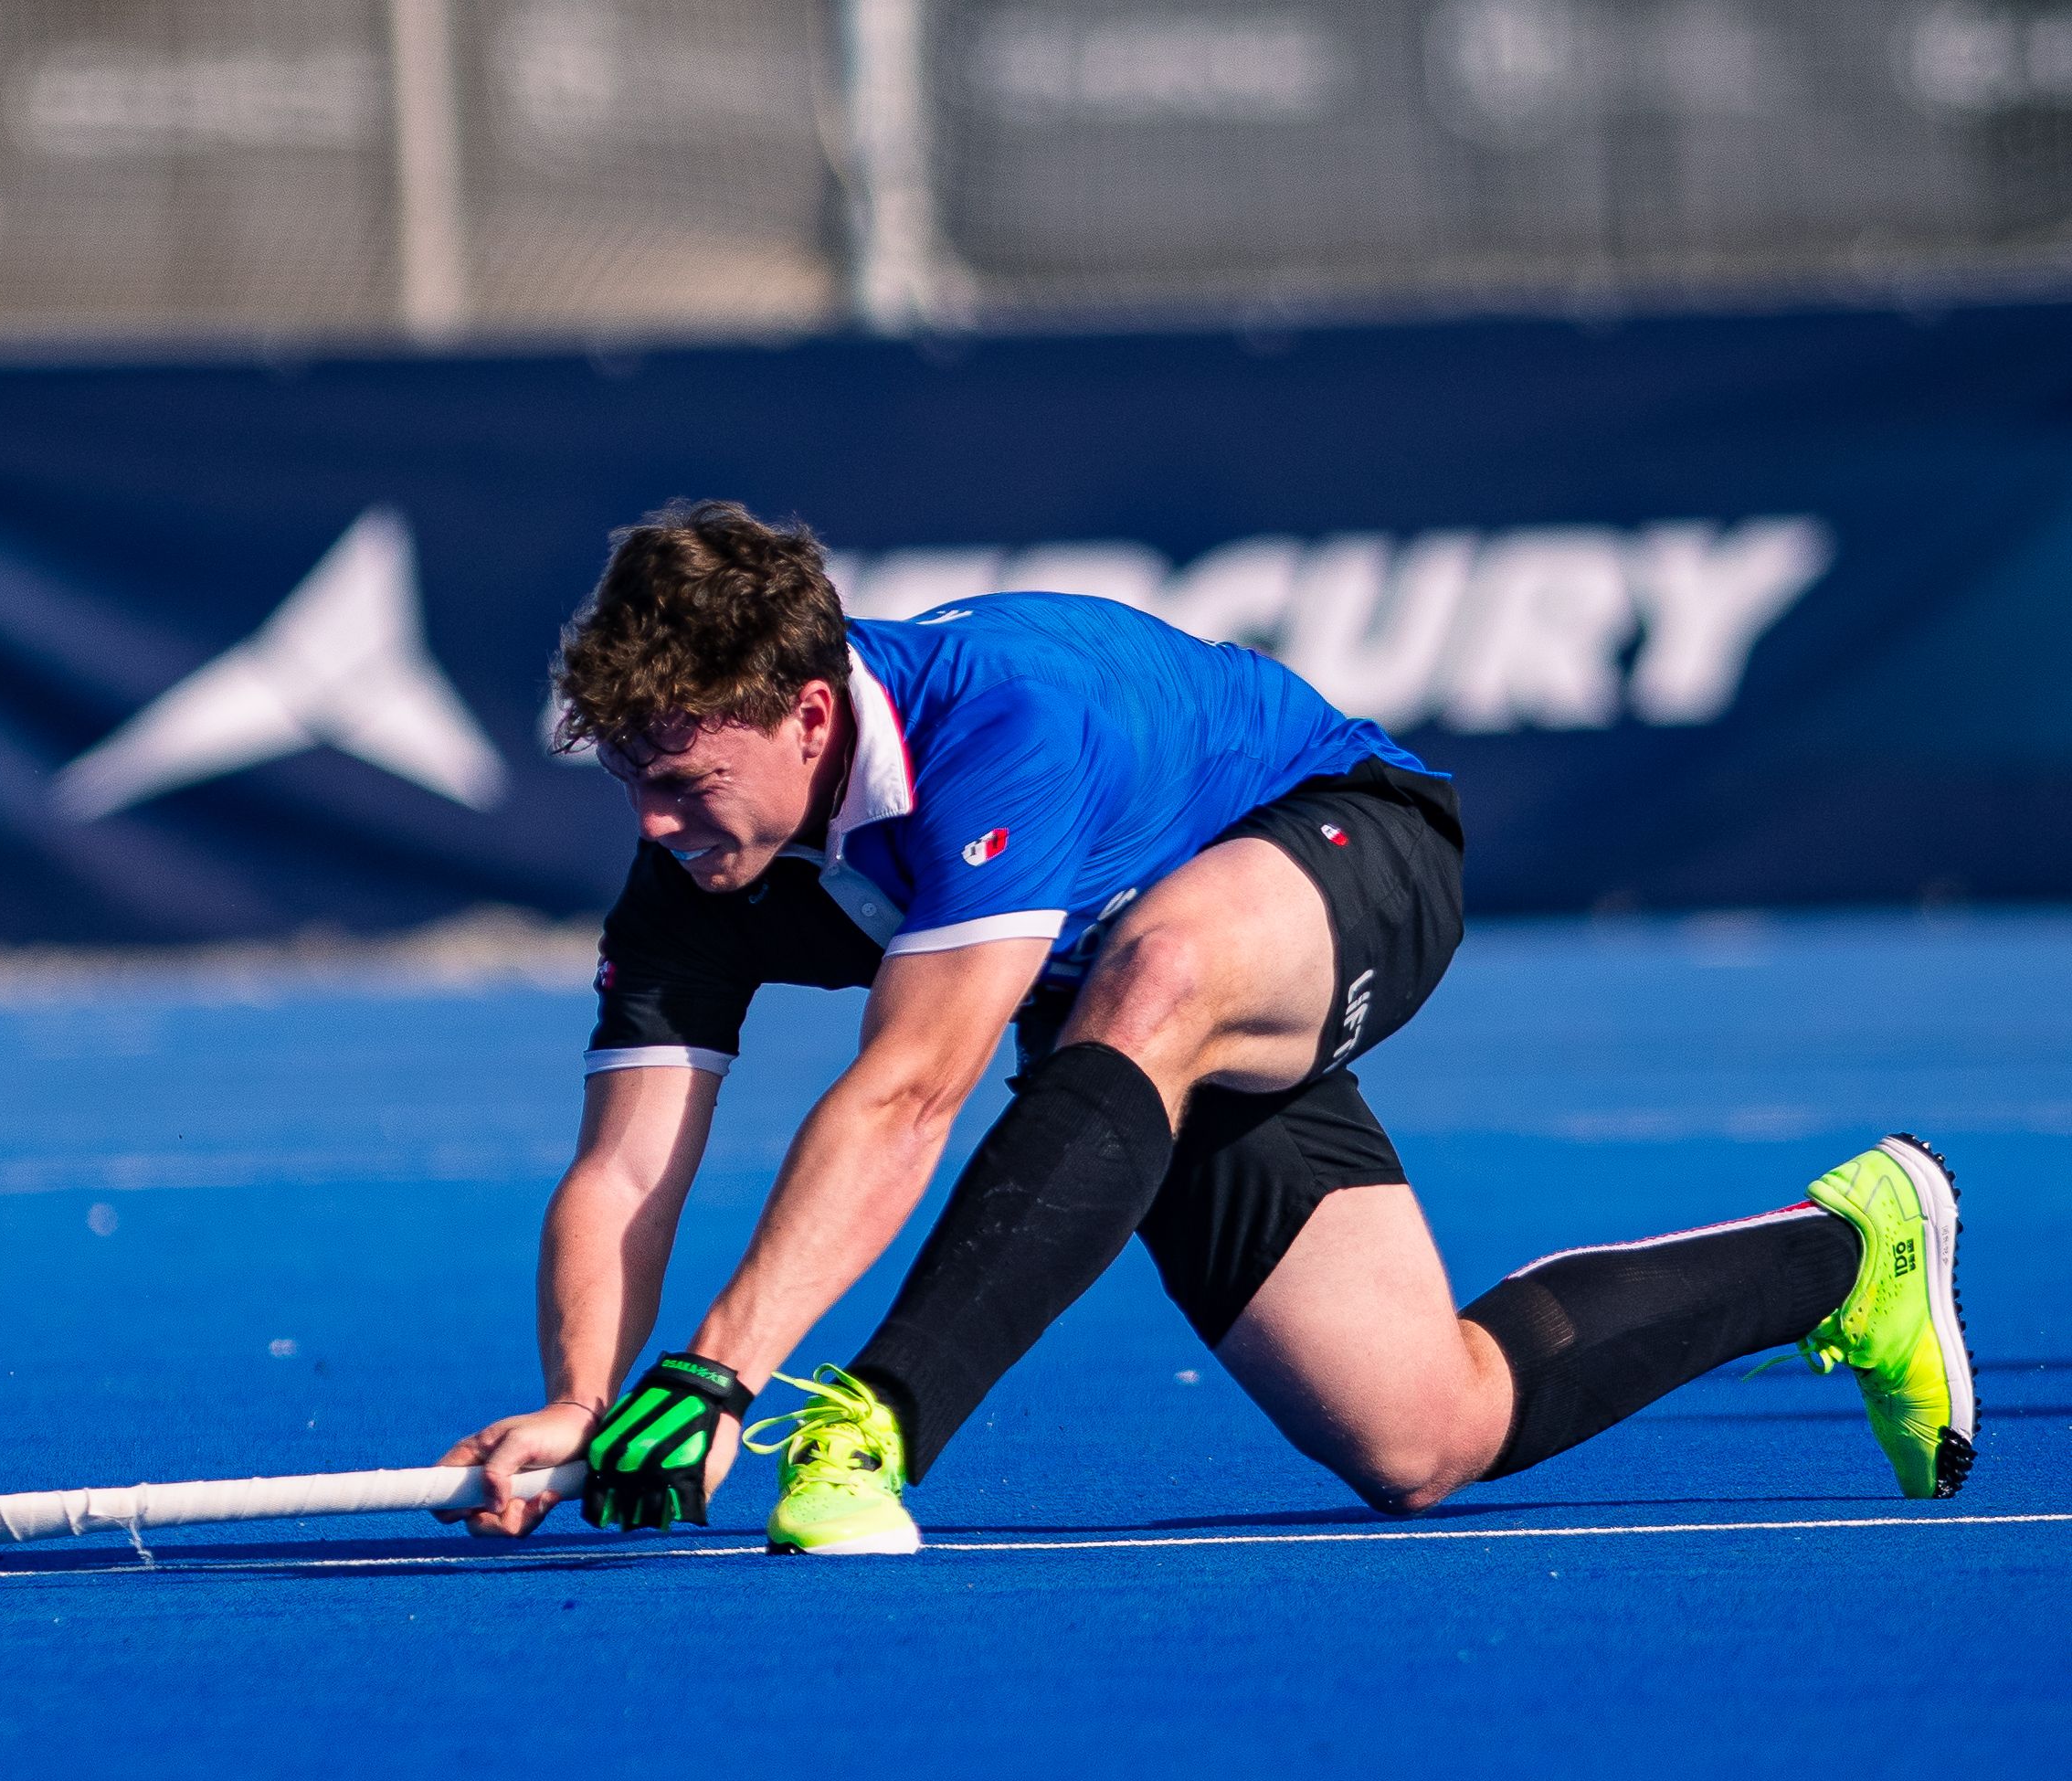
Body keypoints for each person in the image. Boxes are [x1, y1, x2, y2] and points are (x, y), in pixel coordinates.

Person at [442, 501, 1972, 1553]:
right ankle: (1851, 1252)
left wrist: (718, 1378)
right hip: (1121, 1015)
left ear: (812, 716)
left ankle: (880, 1428)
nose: (651, 824)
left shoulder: (1002, 720)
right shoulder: (693, 868)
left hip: (1341, 847)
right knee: (1420, 1436)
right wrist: (587, 1402)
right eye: (626, 779)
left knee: (1157, 972)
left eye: (682, 782)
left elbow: (912, 1093)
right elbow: (624, 1168)